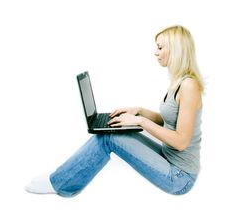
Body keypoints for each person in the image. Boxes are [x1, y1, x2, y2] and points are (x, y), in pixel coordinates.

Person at [25, 25, 204, 196]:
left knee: (109, 138)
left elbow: (181, 141)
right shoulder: (178, 81)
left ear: (176, 49)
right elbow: (169, 120)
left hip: (180, 177)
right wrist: (138, 111)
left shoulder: (189, 85)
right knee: (112, 132)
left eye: (160, 47)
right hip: (168, 158)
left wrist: (140, 121)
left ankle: (60, 182)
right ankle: (64, 179)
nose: (155, 52)